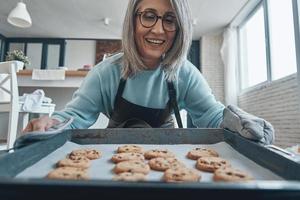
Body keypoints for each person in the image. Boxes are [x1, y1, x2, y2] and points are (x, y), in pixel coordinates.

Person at [24, 0, 274, 144]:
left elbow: (210, 114)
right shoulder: (105, 73)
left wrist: (237, 121)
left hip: (171, 166)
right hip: (113, 164)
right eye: (149, 16)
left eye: (169, 19)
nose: (158, 30)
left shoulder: (184, 73)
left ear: (179, 28)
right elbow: (76, 116)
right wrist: (51, 123)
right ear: (132, 21)